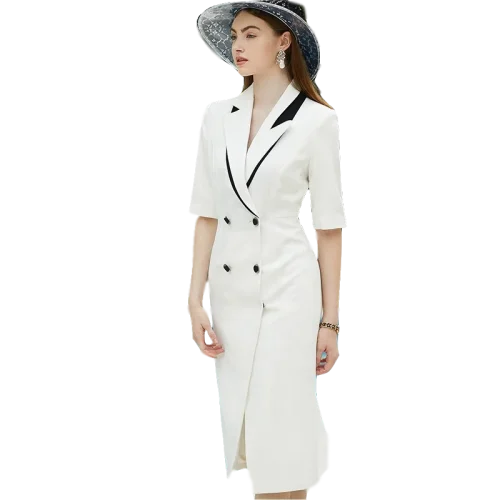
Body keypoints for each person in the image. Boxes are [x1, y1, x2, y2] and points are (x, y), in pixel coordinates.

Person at [188, 1, 346, 498]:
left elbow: (328, 229)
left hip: (287, 292)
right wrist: (195, 300)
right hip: (230, 296)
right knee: (248, 442)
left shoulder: (317, 121)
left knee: (282, 441)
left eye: (251, 34)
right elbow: (206, 212)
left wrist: (330, 322)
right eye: (235, 35)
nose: (237, 45)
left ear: (283, 43)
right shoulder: (218, 116)